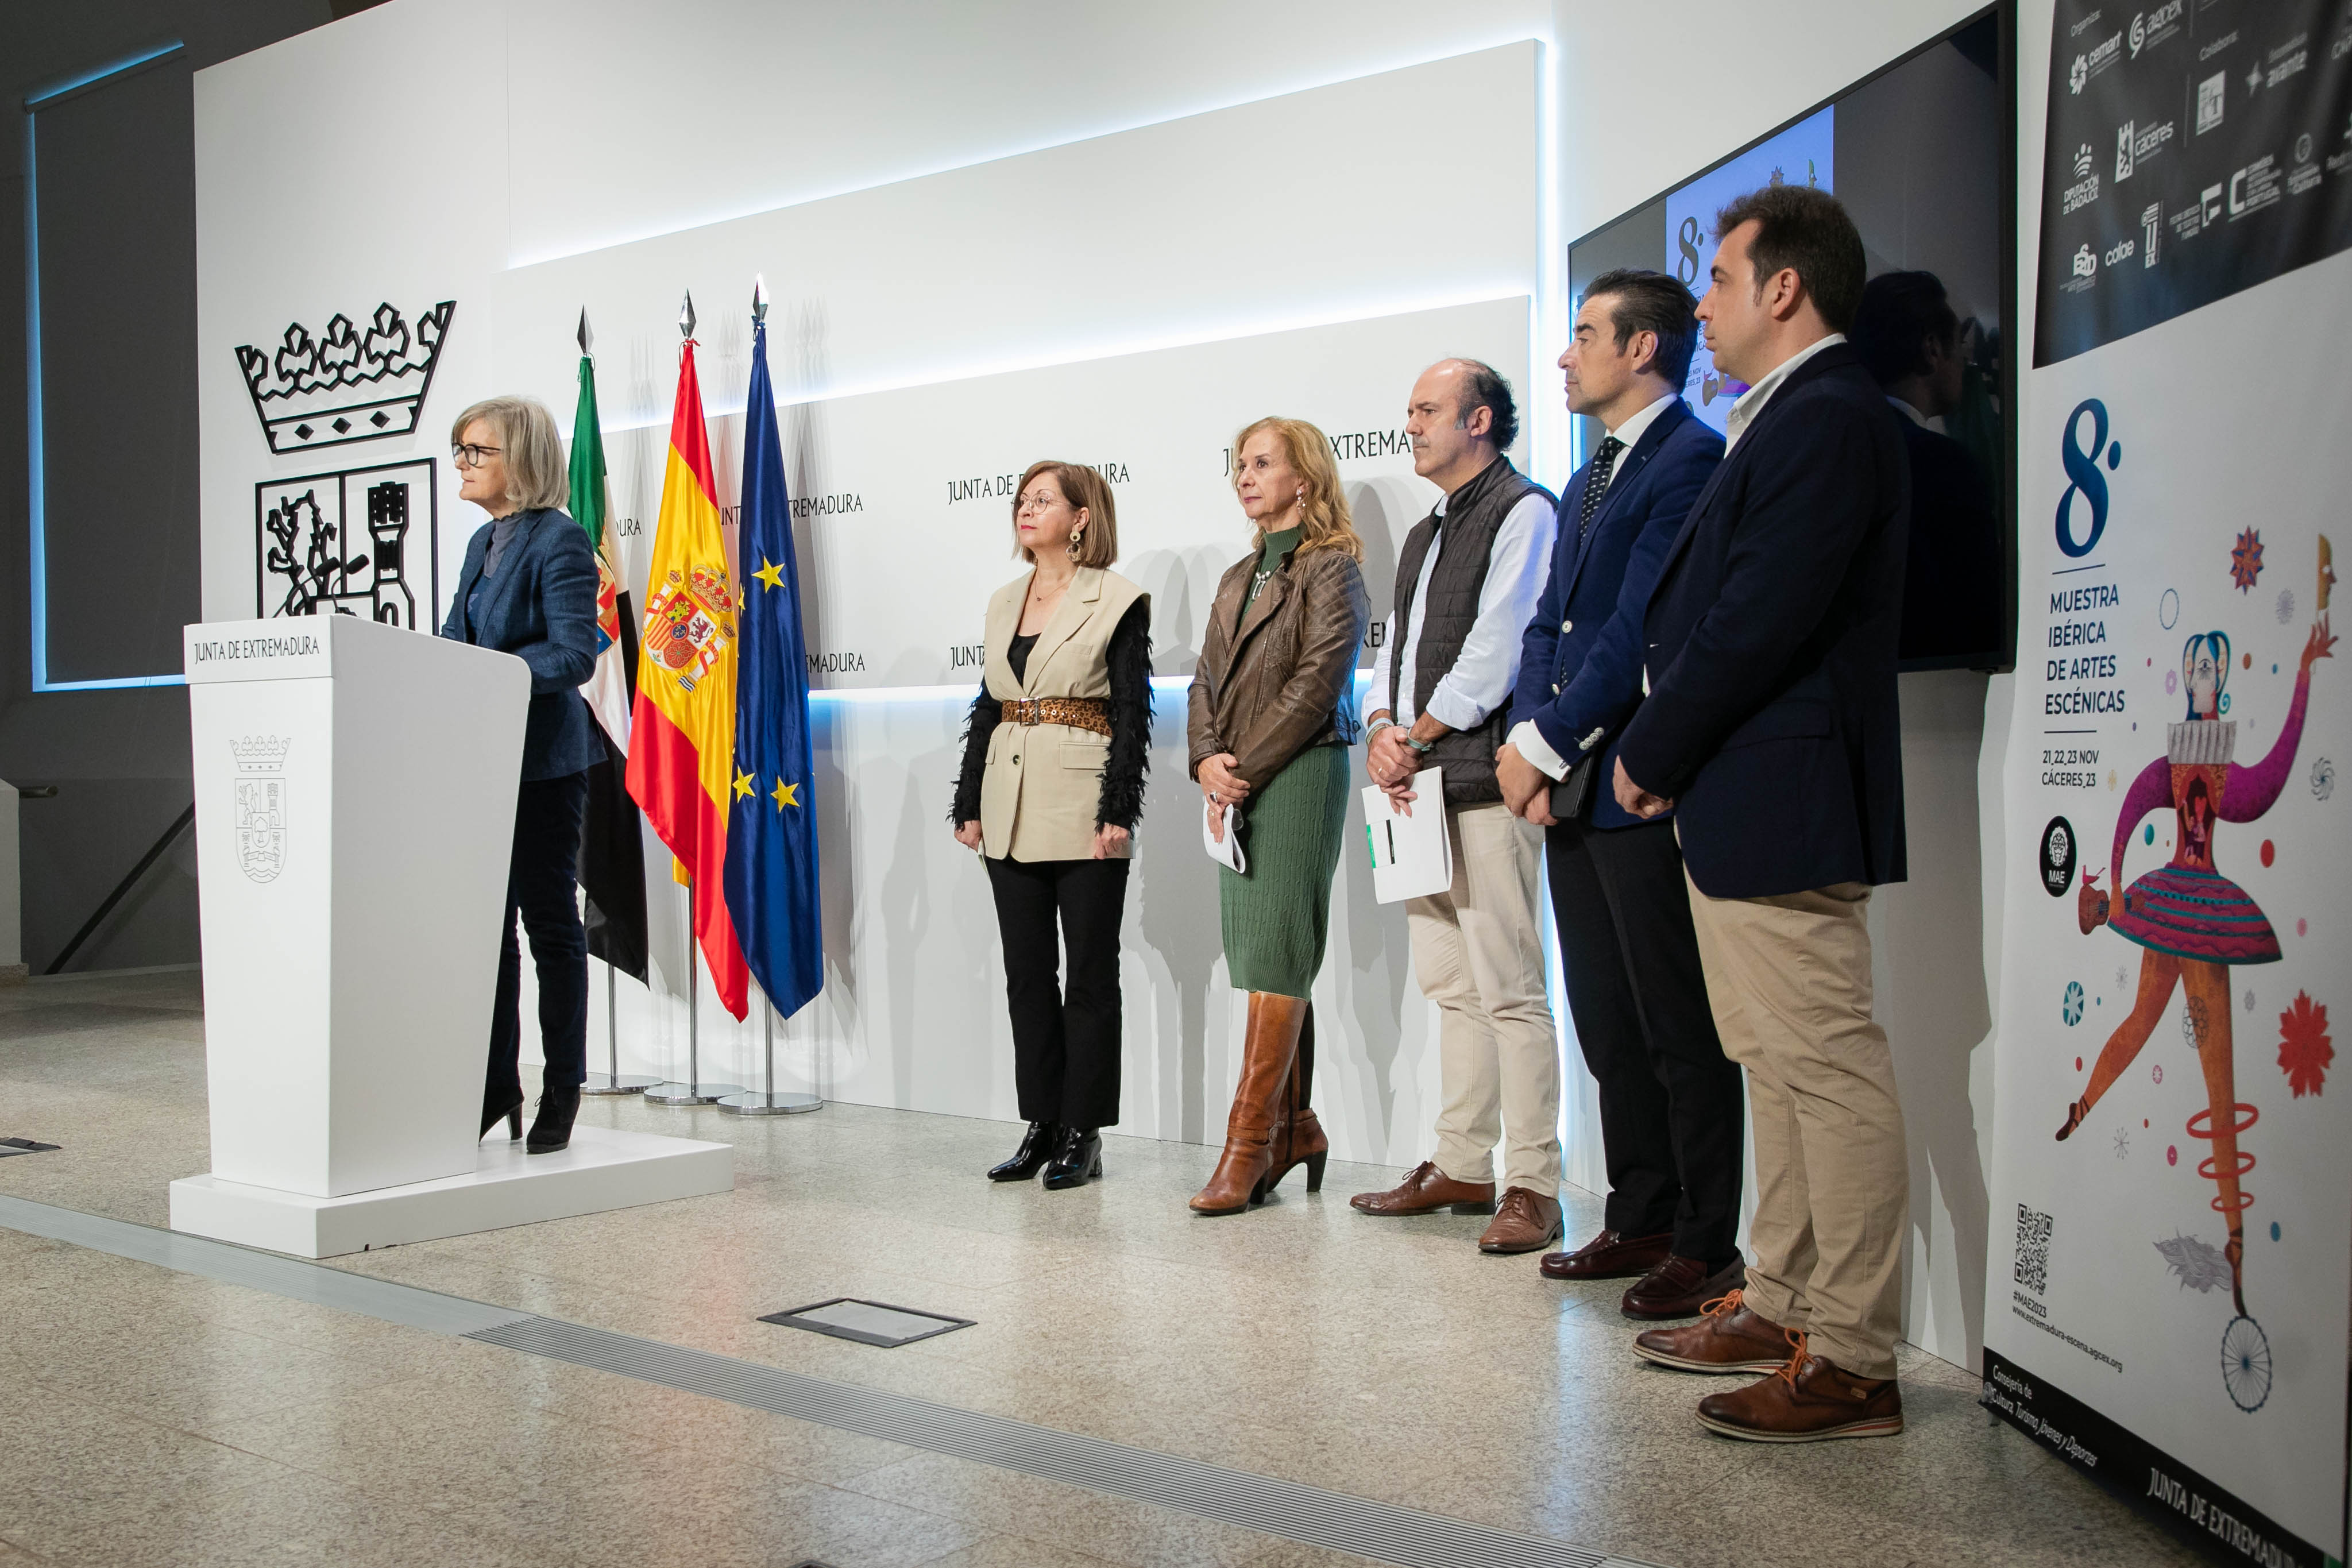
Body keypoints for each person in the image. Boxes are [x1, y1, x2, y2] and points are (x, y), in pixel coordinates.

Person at [1609, 186, 1912, 1442]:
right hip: (1743, 791)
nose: (1703, 306)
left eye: (1721, 280)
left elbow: (1756, 617)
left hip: (1772, 786)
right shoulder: (1783, 419)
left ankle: (1849, 1355)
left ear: (1783, 287)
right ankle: (1783, 1301)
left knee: (1824, 1069)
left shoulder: (1828, 417)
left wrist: (1649, 746)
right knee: (1775, 1068)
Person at [1493, 270, 1746, 1317]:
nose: (1564, 354)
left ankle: (1705, 1240)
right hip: (1572, 788)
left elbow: (1639, 627)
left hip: (1637, 782)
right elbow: (1550, 626)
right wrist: (1532, 744)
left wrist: (1547, 746)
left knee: (1673, 1023)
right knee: (1603, 1015)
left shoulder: (1692, 458)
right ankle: (1639, 1211)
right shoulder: (1589, 473)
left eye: (1585, 334)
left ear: (1644, 349)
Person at [1350, 361, 1564, 1256]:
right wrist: (1379, 727)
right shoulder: (1422, 529)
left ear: (1480, 419)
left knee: (1509, 987)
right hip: (1413, 785)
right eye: (1407, 412)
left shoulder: (1524, 509)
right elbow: (1395, 649)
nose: (1411, 425)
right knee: (1450, 987)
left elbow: (1502, 642)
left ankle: (1532, 1184)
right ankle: (1461, 1163)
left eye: (1427, 410)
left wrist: (1423, 730)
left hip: (1480, 779)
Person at [1186, 417, 1369, 1215]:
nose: (1244, 476)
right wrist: (1204, 759)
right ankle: (1295, 1126)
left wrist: (1242, 769)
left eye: (1262, 463)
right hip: (1232, 780)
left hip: (1297, 772)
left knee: (1278, 954)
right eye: (1238, 465)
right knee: (1269, 959)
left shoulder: (1332, 568)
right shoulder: (1235, 575)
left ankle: (1248, 1140)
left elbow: (1316, 683)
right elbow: (1202, 682)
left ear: (1305, 477)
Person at [951, 462, 1150, 1191]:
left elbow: (1132, 711)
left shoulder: (1118, 598)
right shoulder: (1004, 599)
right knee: (1027, 977)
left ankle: (1084, 1132)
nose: (1026, 511)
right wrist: (968, 803)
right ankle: (1041, 1121)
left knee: (1091, 977)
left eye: (1043, 501)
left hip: (1082, 806)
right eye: (1021, 501)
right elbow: (989, 704)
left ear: (1081, 517)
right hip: (1007, 805)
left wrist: (1119, 812)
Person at [439, 397, 601, 1154]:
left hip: (542, 764)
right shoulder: (481, 543)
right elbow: (451, 641)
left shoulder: (560, 540)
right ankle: (493, 1083)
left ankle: (561, 1090)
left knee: (549, 927)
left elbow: (575, 654)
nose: (465, 464)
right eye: (461, 450)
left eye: (478, 451)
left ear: (522, 460)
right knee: (485, 934)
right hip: (480, 761)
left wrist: (483, 672)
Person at [1848, 270, 2000, 665]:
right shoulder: (1941, 465)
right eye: (1960, 344)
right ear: (1932, 349)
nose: (1966, 362)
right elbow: (1977, 614)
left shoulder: (1832, 451)